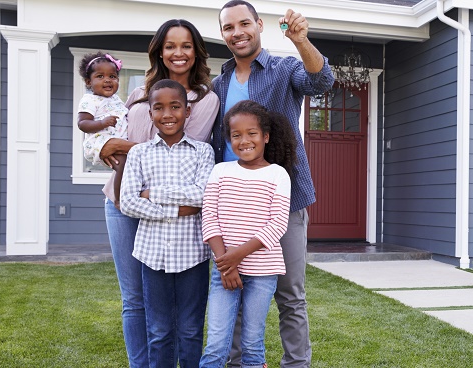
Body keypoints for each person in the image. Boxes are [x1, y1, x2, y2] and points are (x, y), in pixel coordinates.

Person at [211, 2, 334, 367]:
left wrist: (301, 41)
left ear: (259, 25)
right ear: (223, 34)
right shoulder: (219, 82)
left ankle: (296, 364)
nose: (238, 32)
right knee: (232, 289)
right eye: (229, 27)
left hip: (283, 200)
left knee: (290, 296)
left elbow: (321, 81)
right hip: (233, 206)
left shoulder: (283, 69)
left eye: (245, 23)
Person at [99, 18, 219, 368]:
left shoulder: (205, 99)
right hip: (120, 199)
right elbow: (128, 145)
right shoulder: (138, 93)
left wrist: (123, 145)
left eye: (185, 46)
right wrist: (109, 143)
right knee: (134, 298)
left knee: (177, 311)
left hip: (163, 204)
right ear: (159, 51)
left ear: (196, 52)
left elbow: (175, 145)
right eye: (170, 46)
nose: (177, 53)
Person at [120, 79, 215, 368]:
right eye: (159, 108)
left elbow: (202, 194)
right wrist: (175, 210)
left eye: (175, 106)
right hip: (152, 255)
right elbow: (127, 202)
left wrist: (154, 194)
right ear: (150, 114)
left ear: (187, 111)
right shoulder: (139, 153)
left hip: (192, 256)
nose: (167, 114)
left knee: (190, 329)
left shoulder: (203, 151)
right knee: (159, 331)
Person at [200, 100, 297, 368]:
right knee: (216, 344)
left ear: (265, 137)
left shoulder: (278, 175)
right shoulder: (220, 171)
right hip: (224, 272)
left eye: (252, 133)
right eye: (236, 135)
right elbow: (209, 218)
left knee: (253, 342)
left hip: (263, 272)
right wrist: (225, 265)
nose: (244, 141)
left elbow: (277, 224)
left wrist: (235, 258)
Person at [76, 52, 128, 207]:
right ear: (88, 82)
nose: (107, 80)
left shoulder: (116, 100)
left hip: (114, 139)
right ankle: (118, 198)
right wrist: (102, 123)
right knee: (123, 164)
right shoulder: (89, 100)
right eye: (100, 76)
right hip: (98, 140)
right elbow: (83, 123)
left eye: (112, 76)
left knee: (128, 165)